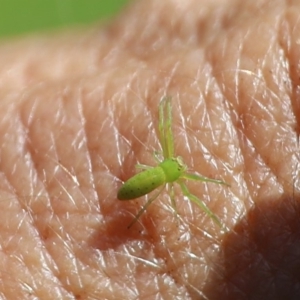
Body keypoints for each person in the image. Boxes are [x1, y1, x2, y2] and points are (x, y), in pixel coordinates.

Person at [0, 0, 298, 298]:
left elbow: (167, 135)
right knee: (166, 195)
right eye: (178, 165)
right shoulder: (172, 178)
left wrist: (168, 114)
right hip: (143, 183)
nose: (180, 164)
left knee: (155, 195)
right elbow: (183, 171)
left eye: (178, 165)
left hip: (146, 180)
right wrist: (213, 184)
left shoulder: (164, 168)